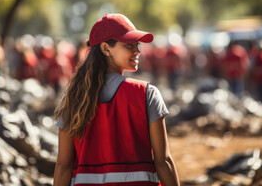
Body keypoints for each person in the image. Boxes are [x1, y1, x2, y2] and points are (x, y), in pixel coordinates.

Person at [53, 14, 180, 186]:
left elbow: (63, 165)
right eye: (129, 45)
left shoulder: (72, 98)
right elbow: (163, 162)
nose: (137, 51)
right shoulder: (147, 94)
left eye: (137, 45)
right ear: (106, 48)